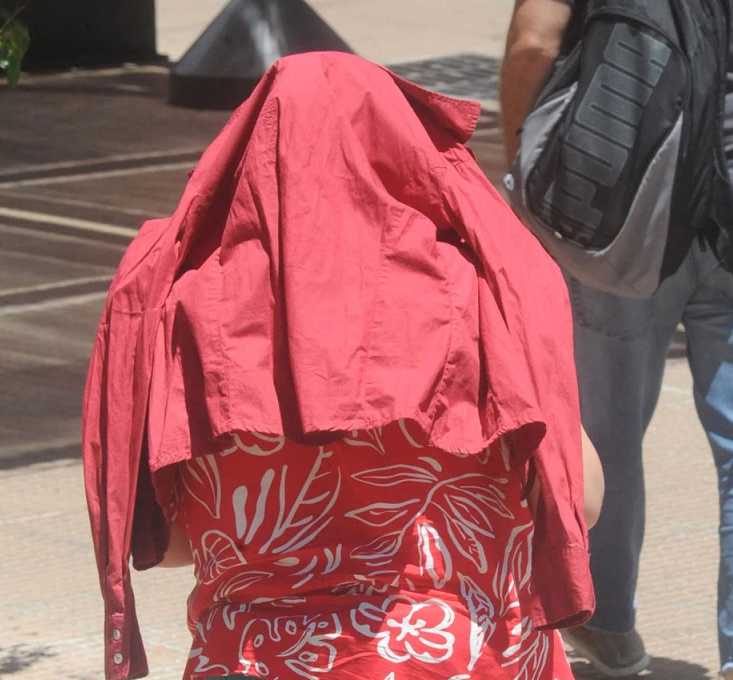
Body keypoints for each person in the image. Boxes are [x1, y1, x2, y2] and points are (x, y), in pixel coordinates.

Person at [82, 52, 604, 680]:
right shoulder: (481, 292)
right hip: (458, 654)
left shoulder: (182, 311)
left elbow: (164, 543)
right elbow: (584, 498)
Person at [500, 1, 733, 678]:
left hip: (620, 193)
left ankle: (609, 627)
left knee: (606, 427)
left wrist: (525, 163)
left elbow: (534, 42)